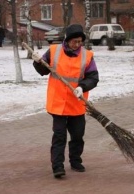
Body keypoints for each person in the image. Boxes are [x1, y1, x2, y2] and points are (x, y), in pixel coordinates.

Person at [32, 24, 99, 179]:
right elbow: (44, 70)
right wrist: (37, 62)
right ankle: (58, 167)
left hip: (77, 103)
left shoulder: (87, 55)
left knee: (77, 136)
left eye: (80, 41)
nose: (77, 44)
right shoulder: (54, 51)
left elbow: (93, 78)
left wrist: (82, 87)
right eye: (75, 41)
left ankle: (75, 161)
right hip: (58, 104)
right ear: (67, 40)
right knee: (59, 136)